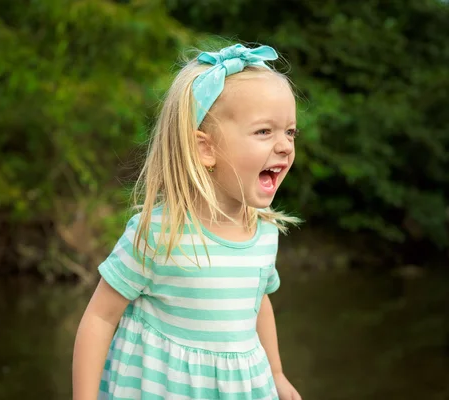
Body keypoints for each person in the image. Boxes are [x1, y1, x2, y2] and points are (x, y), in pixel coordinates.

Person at [73, 43, 302, 400]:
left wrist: (276, 373)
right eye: (264, 132)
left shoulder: (265, 234)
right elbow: (100, 319)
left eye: (290, 132)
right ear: (205, 149)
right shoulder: (160, 233)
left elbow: (257, 303)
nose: (285, 146)